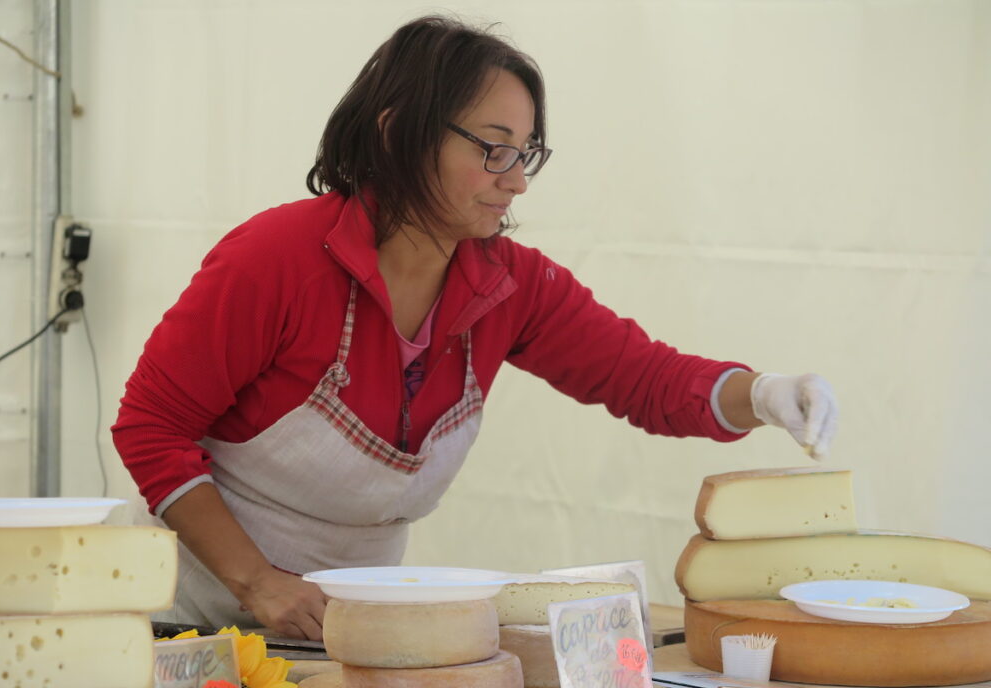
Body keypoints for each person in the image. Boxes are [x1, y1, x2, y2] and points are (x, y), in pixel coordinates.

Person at [112, 15, 837, 640]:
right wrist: (258, 582)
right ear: (400, 134)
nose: (515, 179)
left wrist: (761, 393)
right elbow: (150, 426)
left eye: (525, 154)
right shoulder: (276, 260)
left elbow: (641, 378)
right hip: (188, 625)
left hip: (341, 637)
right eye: (493, 149)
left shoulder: (511, 284)